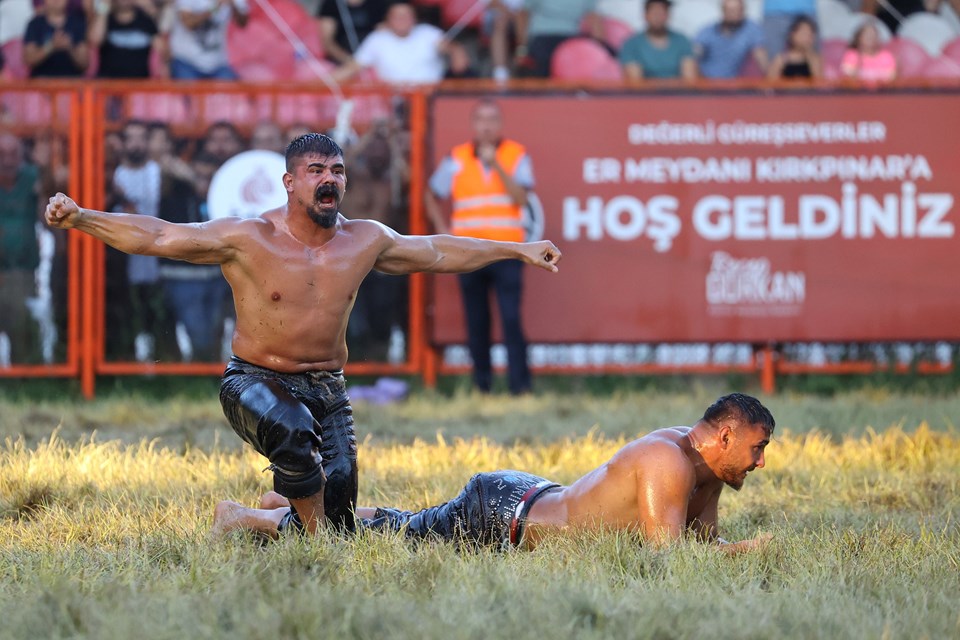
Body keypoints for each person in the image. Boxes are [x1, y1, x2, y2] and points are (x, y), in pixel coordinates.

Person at [45, 132, 562, 537]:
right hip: (253, 381)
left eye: (336, 171)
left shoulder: (365, 240)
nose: (328, 179)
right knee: (297, 445)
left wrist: (515, 249)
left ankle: (251, 515)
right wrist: (84, 217)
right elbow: (159, 235)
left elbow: (437, 251)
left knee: (338, 516)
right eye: (315, 171)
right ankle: (317, 550)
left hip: (328, 389)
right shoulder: (249, 238)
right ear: (290, 182)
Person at [211, 393, 775, 555]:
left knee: (407, 523)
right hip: (503, 518)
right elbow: (668, 558)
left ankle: (278, 505)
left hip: (527, 497)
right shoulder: (667, 461)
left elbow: (703, 542)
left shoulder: (704, 469)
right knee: (382, 540)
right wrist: (748, 551)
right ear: (725, 435)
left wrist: (731, 547)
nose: (761, 462)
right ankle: (242, 519)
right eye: (757, 448)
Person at [425, 99, 535, 396]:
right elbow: (432, 193)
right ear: (473, 124)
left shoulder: (516, 154)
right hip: (469, 251)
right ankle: (481, 385)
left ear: (500, 124)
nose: (486, 126)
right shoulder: (458, 157)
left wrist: (495, 164)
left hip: (507, 249)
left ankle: (520, 386)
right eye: (481, 120)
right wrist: (442, 228)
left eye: (492, 120)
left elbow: (521, 198)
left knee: (511, 318)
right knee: (476, 319)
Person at [0, 133, 43, 365]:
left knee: (20, 330)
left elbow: (48, 216)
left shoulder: (32, 179)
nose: (7, 161)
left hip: (21, 271)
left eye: (13, 154)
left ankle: (24, 380)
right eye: (1, 155)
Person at [333, 3, 448, 84]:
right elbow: (354, 67)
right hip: (393, 101)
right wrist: (323, 82)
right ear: (388, 19)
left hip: (432, 98)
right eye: (397, 17)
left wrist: (451, 49)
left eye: (406, 16)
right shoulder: (377, 39)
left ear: (415, 18)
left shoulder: (430, 33)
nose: (402, 20)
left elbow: (458, 60)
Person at [515, 0, 602, 78]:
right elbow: (523, 15)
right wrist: (522, 49)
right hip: (545, 38)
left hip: (568, 40)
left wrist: (521, 49)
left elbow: (594, 19)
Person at [168, 0, 248, 80]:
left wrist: (233, 5)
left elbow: (243, 23)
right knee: (188, 90)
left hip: (217, 64)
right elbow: (188, 23)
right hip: (186, 62)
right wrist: (215, 8)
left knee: (234, 89)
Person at [619, 0, 697, 81]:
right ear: (645, 15)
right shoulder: (631, 44)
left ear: (668, 15)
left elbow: (689, 79)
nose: (658, 17)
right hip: (646, 93)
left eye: (662, 13)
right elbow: (636, 82)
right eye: (654, 13)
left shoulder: (682, 40)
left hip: (679, 92)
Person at [88, 0, 166, 78]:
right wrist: (103, 8)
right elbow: (94, 41)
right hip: (108, 83)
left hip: (140, 84)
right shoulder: (106, 20)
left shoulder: (146, 21)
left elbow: (165, 53)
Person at [694, 0, 767, 79]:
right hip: (706, 83)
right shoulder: (707, 31)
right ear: (723, 11)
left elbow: (760, 55)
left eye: (738, 10)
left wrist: (768, 81)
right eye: (730, 10)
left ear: (743, 10)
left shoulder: (751, 29)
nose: (734, 14)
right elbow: (694, 56)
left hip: (735, 85)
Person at [316, 0, 395, 66]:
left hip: (371, 61)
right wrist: (348, 60)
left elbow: (384, 36)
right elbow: (327, 41)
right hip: (340, 61)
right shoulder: (331, 4)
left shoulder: (378, 3)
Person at [22, 0, 89, 77]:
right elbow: (28, 60)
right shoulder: (34, 24)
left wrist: (69, 47)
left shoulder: (78, 23)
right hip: (42, 81)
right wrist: (51, 46)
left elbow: (84, 64)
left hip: (72, 81)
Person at [840, 20, 896, 85]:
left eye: (873, 35)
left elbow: (892, 78)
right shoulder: (851, 55)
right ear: (859, 38)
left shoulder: (886, 56)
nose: (870, 38)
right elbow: (849, 78)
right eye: (867, 35)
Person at [766, 15, 821, 80]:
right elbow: (769, 83)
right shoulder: (781, 59)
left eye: (810, 34)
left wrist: (809, 53)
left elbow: (818, 82)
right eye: (804, 33)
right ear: (792, 35)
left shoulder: (814, 58)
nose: (807, 38)